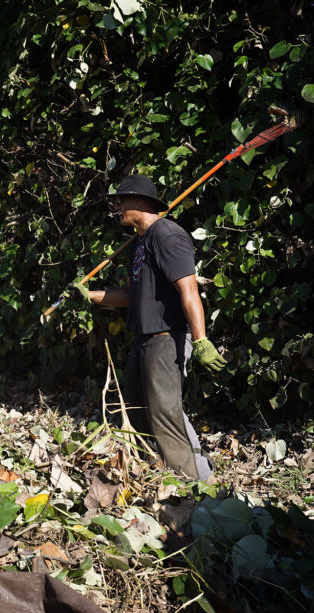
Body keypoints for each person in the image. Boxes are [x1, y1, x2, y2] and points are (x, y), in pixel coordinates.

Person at [84, 174, 227, 481]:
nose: (118, 208)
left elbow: (188, 289)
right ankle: (157, 474)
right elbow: (131, 296)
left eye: (122, 201)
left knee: (166, 413)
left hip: (166, 337)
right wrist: (90, 295)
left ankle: (197, 481)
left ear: (139, 201)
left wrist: (200, 339)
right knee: (136, 410)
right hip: (144, 339)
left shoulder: (168, 236)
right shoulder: (140, 242)